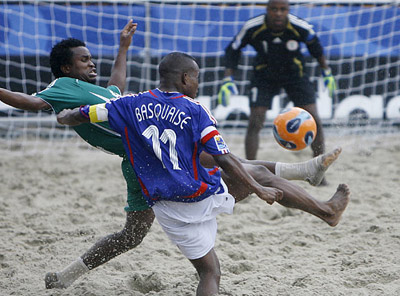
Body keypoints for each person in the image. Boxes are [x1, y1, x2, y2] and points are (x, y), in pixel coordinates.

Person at [0, 22, 343, 290]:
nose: (91, 63)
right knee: (233, 164)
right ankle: (308, 182)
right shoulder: (63, 88)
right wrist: (61, 112)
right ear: (65, 68)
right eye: (84, 60)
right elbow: (30, 102)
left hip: (142, 164)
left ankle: (65, 277)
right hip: (155, 161)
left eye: (91, 58)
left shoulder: (109, 97)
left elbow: (115, 89)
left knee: (131, 235)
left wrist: (122, 48)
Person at [218, 0, 336, 164]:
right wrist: (227, 79)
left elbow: (316, 47)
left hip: (295, 74)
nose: (278, 13)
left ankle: (319, 167)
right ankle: (250, 168)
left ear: (288, 10)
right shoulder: (253, 26)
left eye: (282, 9)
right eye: (274, 9)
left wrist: (327, 72)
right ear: (267, 9)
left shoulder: (299, 26)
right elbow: (233, 50)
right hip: (264, 74)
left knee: (314, 118)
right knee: (255, 121)